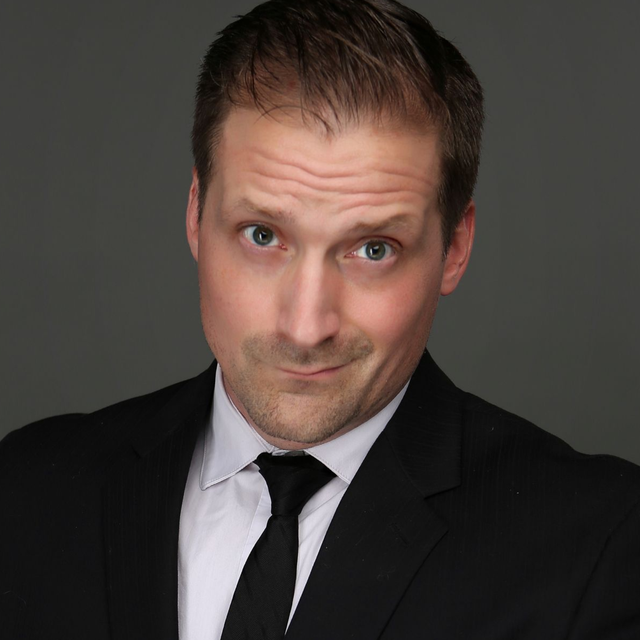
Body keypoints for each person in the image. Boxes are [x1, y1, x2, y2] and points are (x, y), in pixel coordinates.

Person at [1, 0, 639, 638]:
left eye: (373, 250)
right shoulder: (26, 491)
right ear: (195, 212)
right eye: (262, 235)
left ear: (455, 247)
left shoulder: (599, 547)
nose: (306, 328)